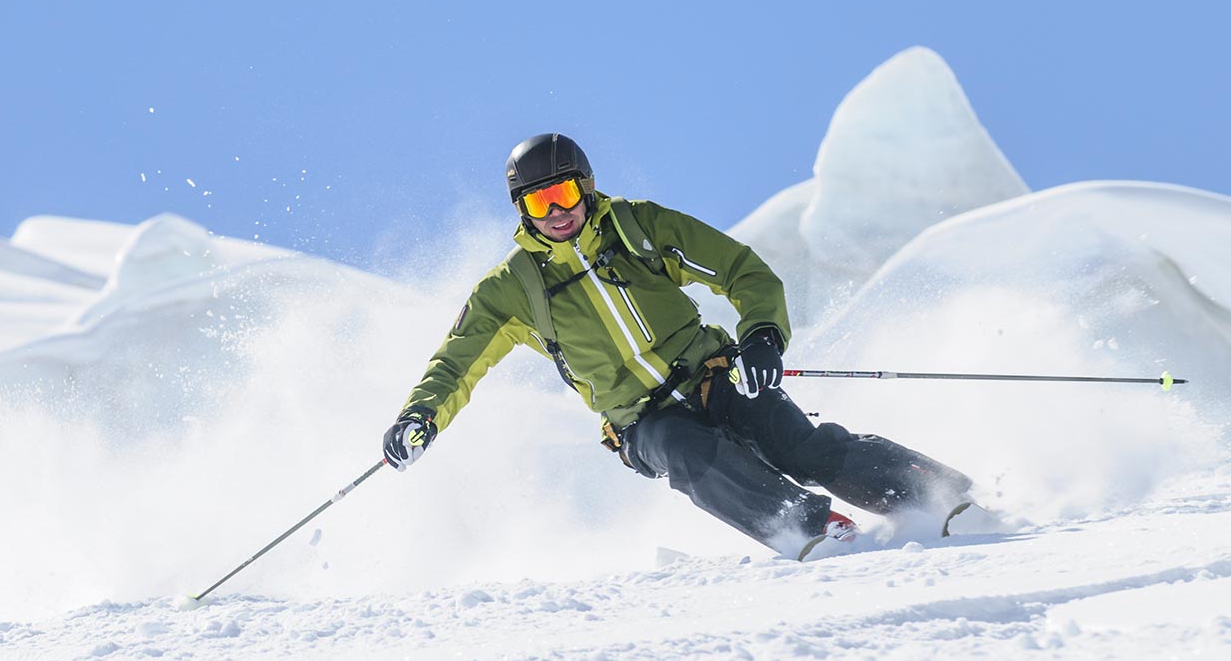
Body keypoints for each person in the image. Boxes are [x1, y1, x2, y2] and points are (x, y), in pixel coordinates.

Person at [381, 133, 974, 559]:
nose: (557, 212)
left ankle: (937, 495)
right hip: (642, 420)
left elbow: (741, 270)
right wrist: (420, 416)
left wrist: (763, 333)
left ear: (586, 188)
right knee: (686, 451)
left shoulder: (638, 229)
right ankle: (810, 530)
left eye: (563, 192)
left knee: (794, 443)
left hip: (710, 374)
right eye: (539, 202)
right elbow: (457, 363)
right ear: (523, 211)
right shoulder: (513, 288)